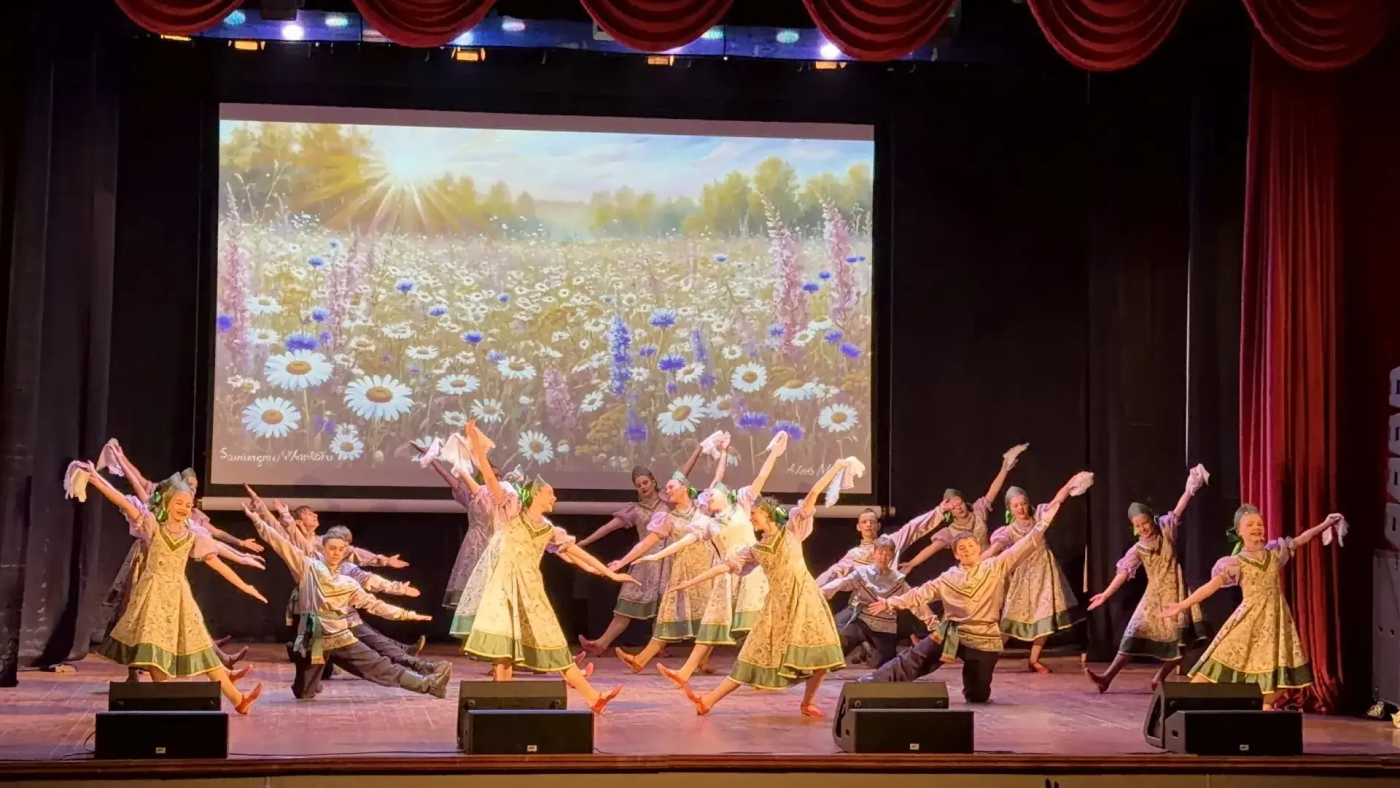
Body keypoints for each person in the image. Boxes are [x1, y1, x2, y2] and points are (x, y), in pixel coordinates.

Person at [861, 472, 1093, 703]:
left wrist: (1046, 519)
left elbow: (1028, 542)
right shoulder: (949, 577)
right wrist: (889, 602)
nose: (967, 550)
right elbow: (920, 593)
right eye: (961, 548)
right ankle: (875, 681)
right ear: (956, 554)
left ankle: (975, 685)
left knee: (978, 695)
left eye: (971, 546)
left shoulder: (995, 566)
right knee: (917, 657)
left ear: (978, 549)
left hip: (984, 638)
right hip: (955, 633)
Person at [453, 424, 631, 713]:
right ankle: (500, 705)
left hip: (531, 591)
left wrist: (609, 573)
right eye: (550, 494)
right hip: (504, 588)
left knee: (553, 640)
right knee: (503, 647)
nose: (554, 499)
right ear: (535, 495)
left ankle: (593, 697)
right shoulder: (512, 514)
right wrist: (474, 441)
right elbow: (489, 478)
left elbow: (576, 553)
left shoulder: (548, 530)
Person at [71, 464, 266, 713]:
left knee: (202, 647)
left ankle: (238, 699)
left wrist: (246, 586)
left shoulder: (192, 536)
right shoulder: (153, 527)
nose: (184, 508)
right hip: (152, 596)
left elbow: (217, 563)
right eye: (179, 503)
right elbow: (124, 502)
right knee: (153, 649)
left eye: (188, 504)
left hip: (179, 597)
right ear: (167, 503)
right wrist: (97, 480)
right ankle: (165, 700)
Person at [670, 458, 854, 717]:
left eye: (754, 513)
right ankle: (708, 700)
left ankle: (807, 702)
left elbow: (813, 493)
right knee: (751, 655)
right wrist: (691, 581)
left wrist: (836, 467)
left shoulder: (793, 530)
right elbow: (725, 566)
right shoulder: (756, 549)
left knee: (821, 654)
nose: (751, 517)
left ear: (766, 513)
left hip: (806, 601)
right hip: (777, 607)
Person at [241, 499, 451, 701]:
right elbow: (281, 543)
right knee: (303, 692)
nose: (336, 553)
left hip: (339, 636)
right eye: (332, 548)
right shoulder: (309, 566)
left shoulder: (348, 579)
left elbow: (376, 605)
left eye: (341, 550)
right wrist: (258, 520)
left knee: (379, 666)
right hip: (313, 638)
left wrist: (408, 614)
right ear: (323, 548)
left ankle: (429, 684)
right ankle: (315, 679)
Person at [94, 442, 262, 679]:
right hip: (148, 566)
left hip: (171, 576)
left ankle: (219, 667)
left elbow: (211, 539)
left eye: (194, 488)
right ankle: (139, 673)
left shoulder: (190, 517)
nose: (192, 491)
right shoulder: (159, 507)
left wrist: (241, 551)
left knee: (186, 620)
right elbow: (136, 485)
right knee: (139, 618)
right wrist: (119, 461)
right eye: (189, 485)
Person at [1160, 506, 1346, 708]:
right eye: (1250, 525)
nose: (1256, 528)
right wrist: (1183, 605)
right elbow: (1211, 587)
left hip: (1275, 620)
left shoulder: (1274, 553)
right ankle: (1182, 705)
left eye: (1259, 524)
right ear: (1239, 531)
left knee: (1280, 670)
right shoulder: (1236, 563)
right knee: (1219, 661)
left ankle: (1266, 706)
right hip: (1249, 618)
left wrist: (1325, 524)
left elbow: (1302, 539)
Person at [641, 436, 780, 687]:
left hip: (751, 575)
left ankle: (766, 672)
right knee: (711, 625)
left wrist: (774, 454)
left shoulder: (742, 506)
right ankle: (684, 672)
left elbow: (761, 476)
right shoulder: (708, 523)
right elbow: (685, 541)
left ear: (724, 495)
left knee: (756, 626)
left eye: (712, 493)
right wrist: (658, 555)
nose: (708, 496)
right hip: (725, 576)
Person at [1084, 465, 1211, 691]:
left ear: (1152, 520)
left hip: (1177, 593)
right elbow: (1123, 573)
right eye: (1138, 526)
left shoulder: (1166, 532)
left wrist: (1190, 489)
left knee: (1181, 643)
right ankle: (1107, 677)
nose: (1143, 528)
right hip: (1153, 597)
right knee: (1132, 635)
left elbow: (1179, 509)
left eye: (1145, 523)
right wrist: (1106, 594)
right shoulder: (1138, 549)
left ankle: (1159, 678)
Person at [575, 445, 703, 658]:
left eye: (645, 482)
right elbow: (608, 528)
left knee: (664, 605)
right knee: (626, 604)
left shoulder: (668, 500)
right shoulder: (634, 509)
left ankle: (658, 647)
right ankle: (601, 643)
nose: (643, 487)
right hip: (644, 561)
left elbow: (682, 474)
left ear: (653, 481)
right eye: (639, 485)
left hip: (668, 559)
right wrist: (584, 542)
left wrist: (697, 451)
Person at [609, 470, 721, 674]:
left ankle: (703, 660)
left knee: (710, 615)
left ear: (684, 488)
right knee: (668, 616)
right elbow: (646, 543)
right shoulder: (668, 519)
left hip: (707, 568)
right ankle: (641, 659)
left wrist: (722, 455)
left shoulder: (702, 508)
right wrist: (622, 562)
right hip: (682, 572)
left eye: (671, 487)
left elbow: (717, 480)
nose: (667, 490)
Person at [985, 483, 1087, 674]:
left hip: (1046, 574)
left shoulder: (1039, 516)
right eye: (1016, 505)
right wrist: (973, 565)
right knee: (1010, 623)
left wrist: (1071, 484)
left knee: (1044, 619)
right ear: (1010, 509)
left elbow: (1058, 500)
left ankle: (1034, 660)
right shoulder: (1008, 532)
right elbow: (992, 551)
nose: (1020, 508)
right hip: (1023, 578)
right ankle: (987, 660)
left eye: (1023, 503)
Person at [898, 444, 1029, 573]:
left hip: (991, 564)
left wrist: (1004, 469)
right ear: (950, 511)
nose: (959, 508)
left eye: (960, 504)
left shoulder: (978, 511)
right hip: (970, 572)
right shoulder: (950, 532)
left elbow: (993, 490)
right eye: (954, 507)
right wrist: (912, 563)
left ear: (965, 503)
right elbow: (931, 549)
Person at [819, 535, 939, 668]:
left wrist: (933, 623)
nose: (883, 557)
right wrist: (820, 593)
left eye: (887, 554)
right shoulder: (862, 572)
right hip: (861, 621)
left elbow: (914, 601)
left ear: (892, 557)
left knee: (885, 664)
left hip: (883, 626)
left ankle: (870, 653)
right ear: (874, 554)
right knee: (838, 647)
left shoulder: (898, 580)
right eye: (880, 553)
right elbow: (841, 583)